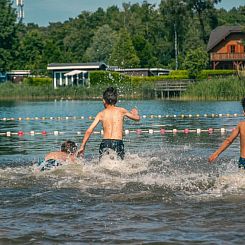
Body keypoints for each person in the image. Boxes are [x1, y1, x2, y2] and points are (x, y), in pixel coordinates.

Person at [77, 87, 140, 160]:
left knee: (103, 165)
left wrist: (82, 146)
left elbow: (89, 131)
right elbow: (137, 119)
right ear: (116, 100)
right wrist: (135, 113)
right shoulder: (121, 110)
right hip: (117, 142)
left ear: (104, 101)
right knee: (119, 165)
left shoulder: (101, 114)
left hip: (105, 143)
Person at [208, 97, 245, 169]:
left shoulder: (241, 125)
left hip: (243, 160)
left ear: (244, 112)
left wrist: (216, 153)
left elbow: (229, 141)